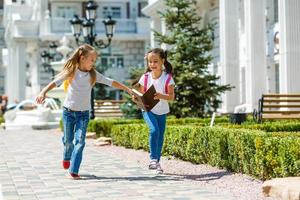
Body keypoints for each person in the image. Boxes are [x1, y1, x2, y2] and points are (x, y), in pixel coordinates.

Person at [36, 44, 131, 179]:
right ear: (82, 58)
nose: (94, 63)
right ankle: (66, 155)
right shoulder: (72, 71)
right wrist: (43, 92)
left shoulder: (93, 74)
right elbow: (56, 82)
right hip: (68, 112)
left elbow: (110, 82)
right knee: (68, 141)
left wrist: (126, 88)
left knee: (80, 142)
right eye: (92, 60)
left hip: (83, 114)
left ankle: (74, 170)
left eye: (94, 60)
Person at [132, 48, 175, 174]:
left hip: (162, 111)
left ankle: (156, 162)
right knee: (154, 130)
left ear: (162, 61)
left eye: (155, 61)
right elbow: (137, 94)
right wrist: (135, 97)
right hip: (148, 109)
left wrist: (161, 96)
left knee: (160, 136)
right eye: (150, 62)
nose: (152, 64)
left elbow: (171, 97)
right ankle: (152, 159)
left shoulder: (168, 78)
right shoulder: (145, 78)